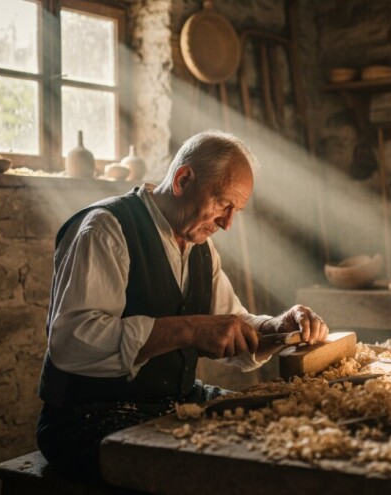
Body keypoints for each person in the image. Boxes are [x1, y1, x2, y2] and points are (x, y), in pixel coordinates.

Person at [36, 130, 329, 476]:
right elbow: (71, 342)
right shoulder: (105, 229)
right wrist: (188, 329)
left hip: (176, 402)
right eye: (222, 203)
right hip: (88, 416)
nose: (227, 222)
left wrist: (277, 327)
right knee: (218, 464)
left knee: (279, 422)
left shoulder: (200, 245)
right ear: (183, 179)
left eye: (236, 210)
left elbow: (230, 321)